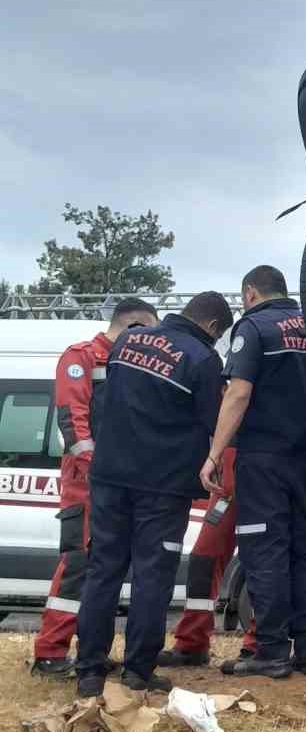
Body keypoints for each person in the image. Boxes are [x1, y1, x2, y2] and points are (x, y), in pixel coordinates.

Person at [74, 292, 234, 698]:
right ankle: (137, 673)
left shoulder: (130, 339)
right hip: (162, 488)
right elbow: (214, 422)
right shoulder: (202, 359)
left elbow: (108, 398)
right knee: (152, 577)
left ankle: (89, 671)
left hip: (109, 476)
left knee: (103, 570)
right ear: (213, 327)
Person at [200, 265, 306, 680]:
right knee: (303, 551)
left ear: (250, 293)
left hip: (264, 459)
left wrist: (215, 453)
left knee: (265, 553)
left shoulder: (254, 328)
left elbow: (238, 393)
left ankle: (272, 652)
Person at [30, 297, 160, 677]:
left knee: (106, 570)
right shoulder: (82, 357)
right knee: (78, 567)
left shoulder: (130, 362)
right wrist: (99, 471)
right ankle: (50, 653)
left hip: (118, 484)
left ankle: (91, 653)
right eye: (150, 334)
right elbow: (73, 423)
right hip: (86, 484)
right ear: (135, 325)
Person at [156, 448, 259, 667]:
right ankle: (192, 644)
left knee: (263, 562)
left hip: (263, 472)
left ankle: (259, 647)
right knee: (203, 560)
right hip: (227, 479)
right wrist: (216, 455)